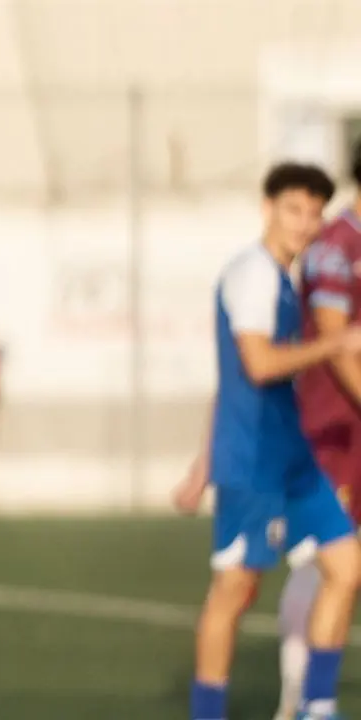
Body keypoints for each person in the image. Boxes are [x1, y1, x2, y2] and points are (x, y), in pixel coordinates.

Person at [172, 162, 361, 720]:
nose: (304, 223)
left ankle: (316, 707)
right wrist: (335, 345)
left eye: (313, 214)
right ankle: (208, 713)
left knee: (346, 568)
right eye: (292, 210)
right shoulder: (252, 273)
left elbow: (229, 380)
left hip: (291, 458)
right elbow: (257, 365)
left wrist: (200, 463)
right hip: (254, 460)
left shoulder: (282, 279)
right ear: (267, 209)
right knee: (234, 591)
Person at [277, 141, 361, 720]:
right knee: (326, 561)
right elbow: (336, 343)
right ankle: (302, 699)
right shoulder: (337, 245)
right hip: (331, 429)